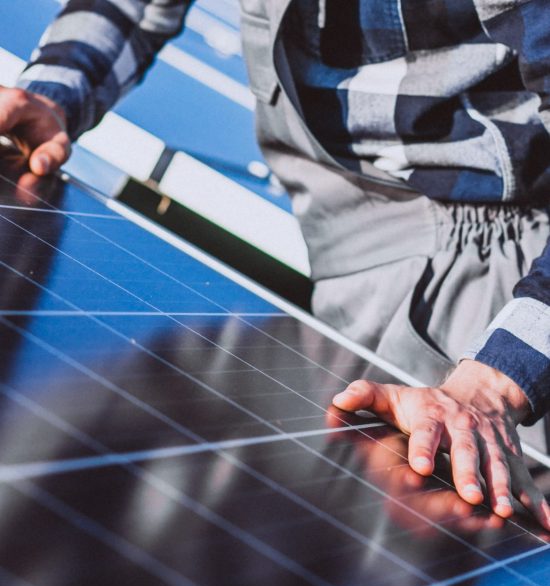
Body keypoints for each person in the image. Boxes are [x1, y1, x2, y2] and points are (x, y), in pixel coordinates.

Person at [2, 0, 550, 529]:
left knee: (482, 533)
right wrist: (56, 90)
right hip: (352, 271)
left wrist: (494, 386)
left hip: (500, 284)